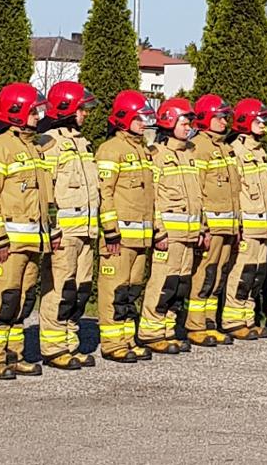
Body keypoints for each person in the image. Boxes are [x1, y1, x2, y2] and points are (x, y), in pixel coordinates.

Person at [0, 83, 51, 380]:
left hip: (32, 241)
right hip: (7, 243)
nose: (38, 115)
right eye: (33, 110)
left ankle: (13, 354)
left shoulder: (32, 147)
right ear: (16, 111)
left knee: (22, 301)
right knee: (2, 299)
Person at [35, 81, 98, 370]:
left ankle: (70, 342)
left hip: (86, 229)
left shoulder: (82, 142)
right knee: (59, 289)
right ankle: (53, 347)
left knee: (80, 289)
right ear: (67, 108)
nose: (85, 113)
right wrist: (52, 229)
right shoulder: (48, 142)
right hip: (64, 230)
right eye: (81, 108)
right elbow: (44, 189)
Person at [94, 90, 157, 363]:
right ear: (123, 119)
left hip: (140, 236)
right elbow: (104, 193)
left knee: (131, 291)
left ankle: (127, 339)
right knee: (114, 290)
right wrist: (110, 231)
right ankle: (112, 343)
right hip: (119, 237)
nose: (144, 123)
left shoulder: (142, 150)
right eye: (139, 118)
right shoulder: (110, 150)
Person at [141, 97, 204, 355]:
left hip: (188, 234)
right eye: (184, 120)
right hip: (169, 234)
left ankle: (168, 330)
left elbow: (198, 196)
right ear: (169, 121)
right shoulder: (157, 155)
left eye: (190, 121)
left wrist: (202, 228)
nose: (188, 125)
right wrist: (159, 231)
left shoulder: (190, 154)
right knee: (162, 282)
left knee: (179, 285)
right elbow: (151, 196)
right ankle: (150, 331)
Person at [184, 94, 238, 346]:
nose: (224, 121)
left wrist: (236, 224)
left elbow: (233, 189)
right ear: (206, 118)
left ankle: (209, 323)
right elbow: (197, 191)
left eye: (225, 116)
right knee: (204, 275)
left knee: (217, 274)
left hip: (227, 225)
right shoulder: (199, 147)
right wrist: (202, 227)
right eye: (219, 116)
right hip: (211, 226)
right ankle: (195, 325)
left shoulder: (225, 147)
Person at [221, 98, 267, 340]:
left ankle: (247, 318)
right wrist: (239, 224)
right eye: (260, 119)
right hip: (248, 227)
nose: (264, 124)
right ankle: (232, 320)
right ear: (246, 121)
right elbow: (235, 190)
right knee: (241, 274)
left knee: (256, 275)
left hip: (263, 227)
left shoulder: (260, 151)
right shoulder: (236, 150)